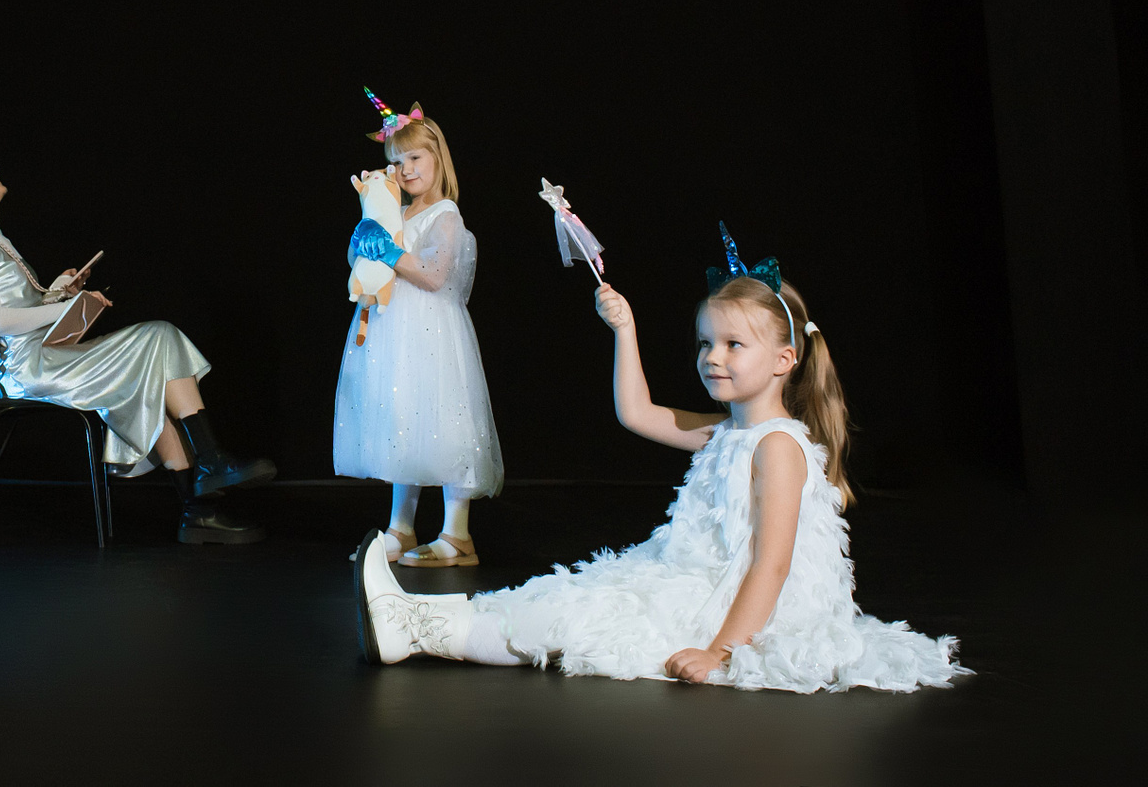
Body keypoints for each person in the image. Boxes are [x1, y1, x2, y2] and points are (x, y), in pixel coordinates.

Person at [354, 226, 969, 693]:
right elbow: (638, 413)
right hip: (689, 576)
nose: (712, 357)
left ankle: (420, 631)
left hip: (733, 608)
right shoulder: (729, 431)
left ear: (785, 360)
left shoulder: (778, 447)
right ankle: (414, 617)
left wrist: (719, 651)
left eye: (733, 344)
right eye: (706, 343)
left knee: (583, 618)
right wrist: (625, 331)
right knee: (574, 590)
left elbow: (773, 566)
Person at [0, 146, 275, 543]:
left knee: (154, 355)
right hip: (27, 369)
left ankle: (199, 504)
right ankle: (207, 470)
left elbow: (14, 307)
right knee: (157, 337)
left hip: (43, 355)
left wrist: (58, 292)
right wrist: (66, 309)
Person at [335, 94, 503, 566]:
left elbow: (434, 274)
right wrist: (363, 239)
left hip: (431, 333)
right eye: (395, 162)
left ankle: (457, 534)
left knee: (445, 422)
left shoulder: (445, 213)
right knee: (403, 423)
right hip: (393, 332)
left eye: (414, 158)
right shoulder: (396, 212)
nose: (405, 170)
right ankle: (401, 528)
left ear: (436, 158)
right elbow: (361, 262)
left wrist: (389, 252)